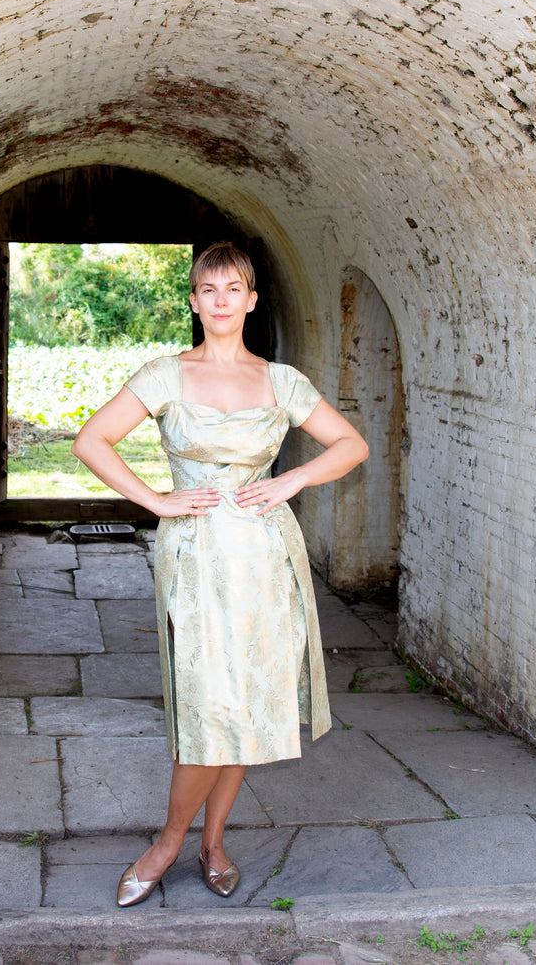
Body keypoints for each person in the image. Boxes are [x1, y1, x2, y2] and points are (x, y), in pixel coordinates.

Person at [71, 241, 369, 906]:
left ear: (251, 299)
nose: (221, 301)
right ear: (194, 301)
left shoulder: (281, 381)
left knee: (247, 699)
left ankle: (213, 843)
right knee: (208, 702)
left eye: (233, 289)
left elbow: (351, 445)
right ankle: (168, 842)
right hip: (196, 553)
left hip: (265, 555)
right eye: (208, 290)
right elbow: (91, 441)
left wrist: (290, 479)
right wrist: (155, 499)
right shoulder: (165, 374)